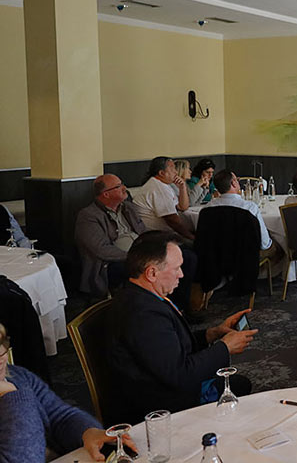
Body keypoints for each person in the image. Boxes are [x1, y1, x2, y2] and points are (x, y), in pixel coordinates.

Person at [107, 231, 256, 424]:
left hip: (159, 386)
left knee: (239, 384)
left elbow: (165, 347)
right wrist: (225, 348)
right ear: (152, 273)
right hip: (161, 406)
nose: (182, 274)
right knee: (240, 387)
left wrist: (211, 334)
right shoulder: (143, 314)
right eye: (177, 268)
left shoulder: (139, 296)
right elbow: (180, 375)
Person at [0, 322, 137, 462]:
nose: (1, 358)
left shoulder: (17, 376)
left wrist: (87, 432)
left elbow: (60, 416)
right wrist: (13, 398)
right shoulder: (12, 390)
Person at [75, 174, 147, 296]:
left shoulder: (128, 207)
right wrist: (134, 257)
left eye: (122, 184)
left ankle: (170, 304)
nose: (124, 188)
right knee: (149, 269)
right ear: (106, 194)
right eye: (118, 186)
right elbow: (101, 249)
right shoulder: (88, 216)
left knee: (176, 258)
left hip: (139, 253)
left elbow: (143, 232)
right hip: (111, 263)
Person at [205, 169, 280, 259]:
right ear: (233, 183)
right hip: (245, 257)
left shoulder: (207, 208)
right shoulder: (249, 208)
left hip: (216, 255)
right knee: (278, 248)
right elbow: (264, 243)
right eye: (237, 179)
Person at [132, 156, 194, 240]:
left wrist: (182, 188)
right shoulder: (157, 188)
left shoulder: (163, 185)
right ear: (161, 173)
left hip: (164, 233)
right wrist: (191, 238)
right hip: (157, 236)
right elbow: (172, 221)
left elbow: (182, 207)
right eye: (172, 169)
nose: (176, 172)